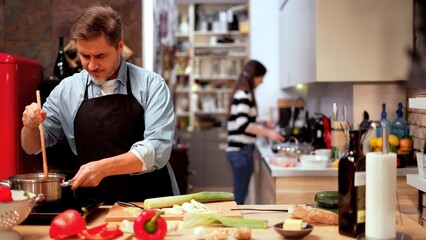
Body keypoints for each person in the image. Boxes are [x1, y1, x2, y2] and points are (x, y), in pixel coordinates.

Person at [21, 5, 178, 204]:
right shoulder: (67, 90)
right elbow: (31, 146)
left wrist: (103, 168)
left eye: (100, 56)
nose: (92, 65)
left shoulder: (152, 85)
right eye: (85, 56)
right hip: (94, 207)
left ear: (120, 47)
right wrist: (30, 126)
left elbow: (158, 150)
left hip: (149, 204)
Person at [226, 60, 285, 204]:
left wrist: (259, 122)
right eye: (261, 77)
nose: (262, 81)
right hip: (240, 151)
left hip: (240, 151)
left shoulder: (242, 93)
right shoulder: (244, 94)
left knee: (240, 192)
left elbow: (241, 119)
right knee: (239, 195)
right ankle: (234, 223)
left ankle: (235, 220)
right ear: (253, 76)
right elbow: (243, 125)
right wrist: (269, 133)